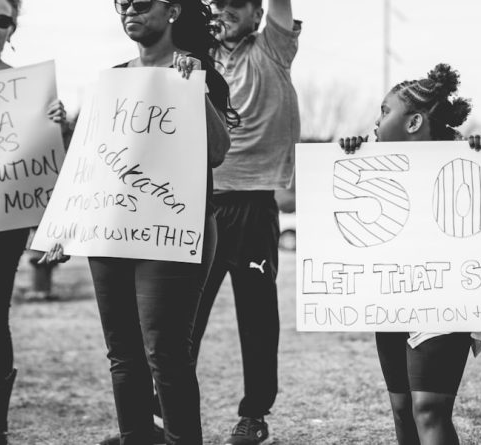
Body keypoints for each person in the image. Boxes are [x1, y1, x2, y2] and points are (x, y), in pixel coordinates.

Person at [43, 0, 234, 443]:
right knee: (122, 355)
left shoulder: (197, 73)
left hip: (173, 231)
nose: (130, 10)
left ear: (171, 11)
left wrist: (195, 90)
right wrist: (64, 225)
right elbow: (90, 160)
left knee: (165, 353)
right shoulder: (112, 81)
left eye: (141, 3)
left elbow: (218, 151)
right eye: (122, 4)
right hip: (112, 232)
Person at [338, 63, 481, 445]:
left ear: (413, 123)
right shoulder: (369, 164)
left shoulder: (464, 158)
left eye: (385, 112)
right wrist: (349, 157)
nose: (376, 122)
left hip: (445, 299)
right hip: (392, 297)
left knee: (429, 409)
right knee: (403, 408)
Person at [182, 1, 300, 443]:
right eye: (220, 4)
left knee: (257, 315)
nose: (227, 11)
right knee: (184, 315)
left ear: (258, 14)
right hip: (202, 198)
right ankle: (165, 407)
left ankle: (255, 413)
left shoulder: (272, 48)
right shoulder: (196, 53)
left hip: (253, 204)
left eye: (238, 5)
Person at [0, 1, 66, 444]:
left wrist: (54, 125)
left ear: (12, 29)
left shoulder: (27, 91)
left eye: (3, 20)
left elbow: (45, 165)